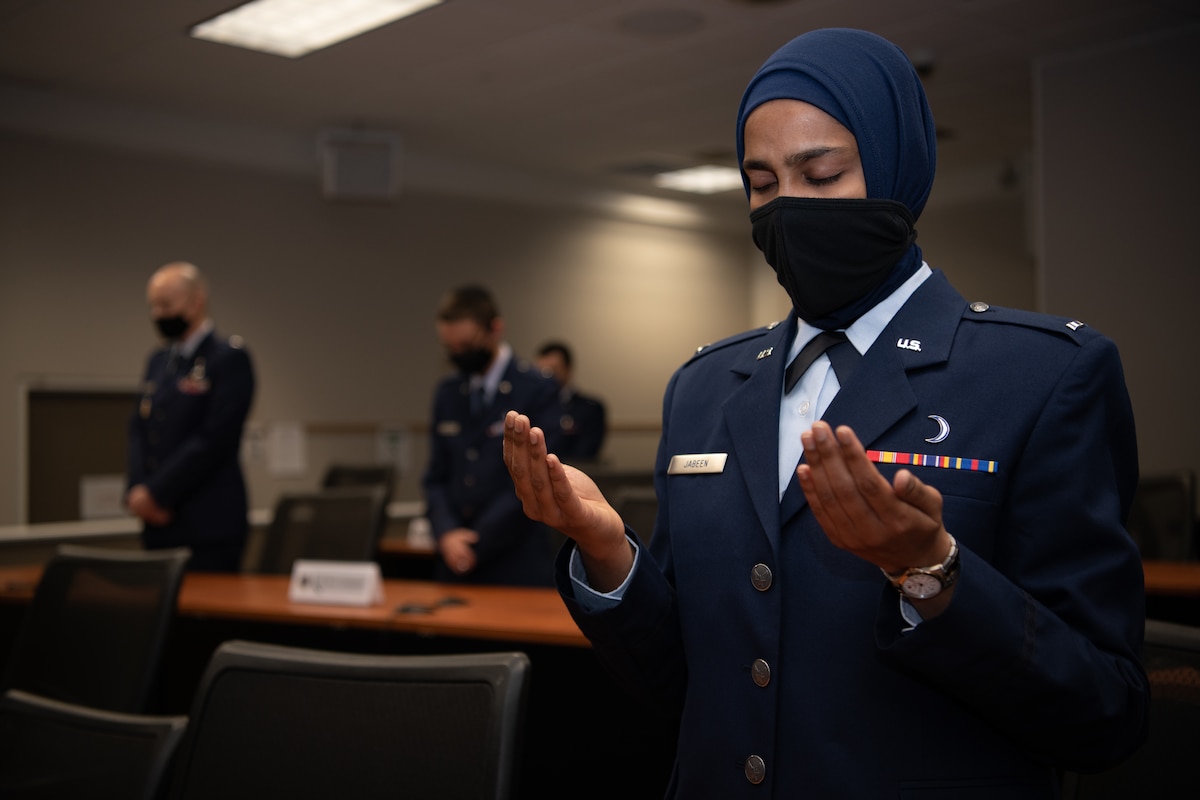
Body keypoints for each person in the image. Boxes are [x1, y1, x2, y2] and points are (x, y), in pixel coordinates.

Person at [503, 28, 1148, 797]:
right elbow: (688, 683)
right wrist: (606, 550)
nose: (789, 208)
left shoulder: (1043, 377)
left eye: (822, 173)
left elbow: (1104, 712)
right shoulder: (705, 387)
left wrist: (934, 574)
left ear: (897, 168)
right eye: (764, 183)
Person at [422, 286, 561, 586]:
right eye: (451, 349)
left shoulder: (536, 388)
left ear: (495, 329)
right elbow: (435, 476)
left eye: (466, 345)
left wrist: (477, 540)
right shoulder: (447, 393)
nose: (459, 355)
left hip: (515, 561)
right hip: (453, 561)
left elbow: (537, 477)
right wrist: (447, 532)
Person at [126, 262, 255, 572]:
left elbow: (214, 439)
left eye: (167, 304)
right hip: (157, 522)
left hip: (208, 523)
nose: (158, 313)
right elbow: (139, 429)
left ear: (196, 301)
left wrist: (156, 492)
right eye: (153, 305)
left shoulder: (228, 358)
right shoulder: (158, 361)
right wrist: (138, 492)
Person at [535, 341, 608, 462]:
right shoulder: (532, 407)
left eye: (552, 370)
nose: (546, 377)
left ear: (568, 369)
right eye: (541, 372)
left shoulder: (588, 409)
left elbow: (586, 453)